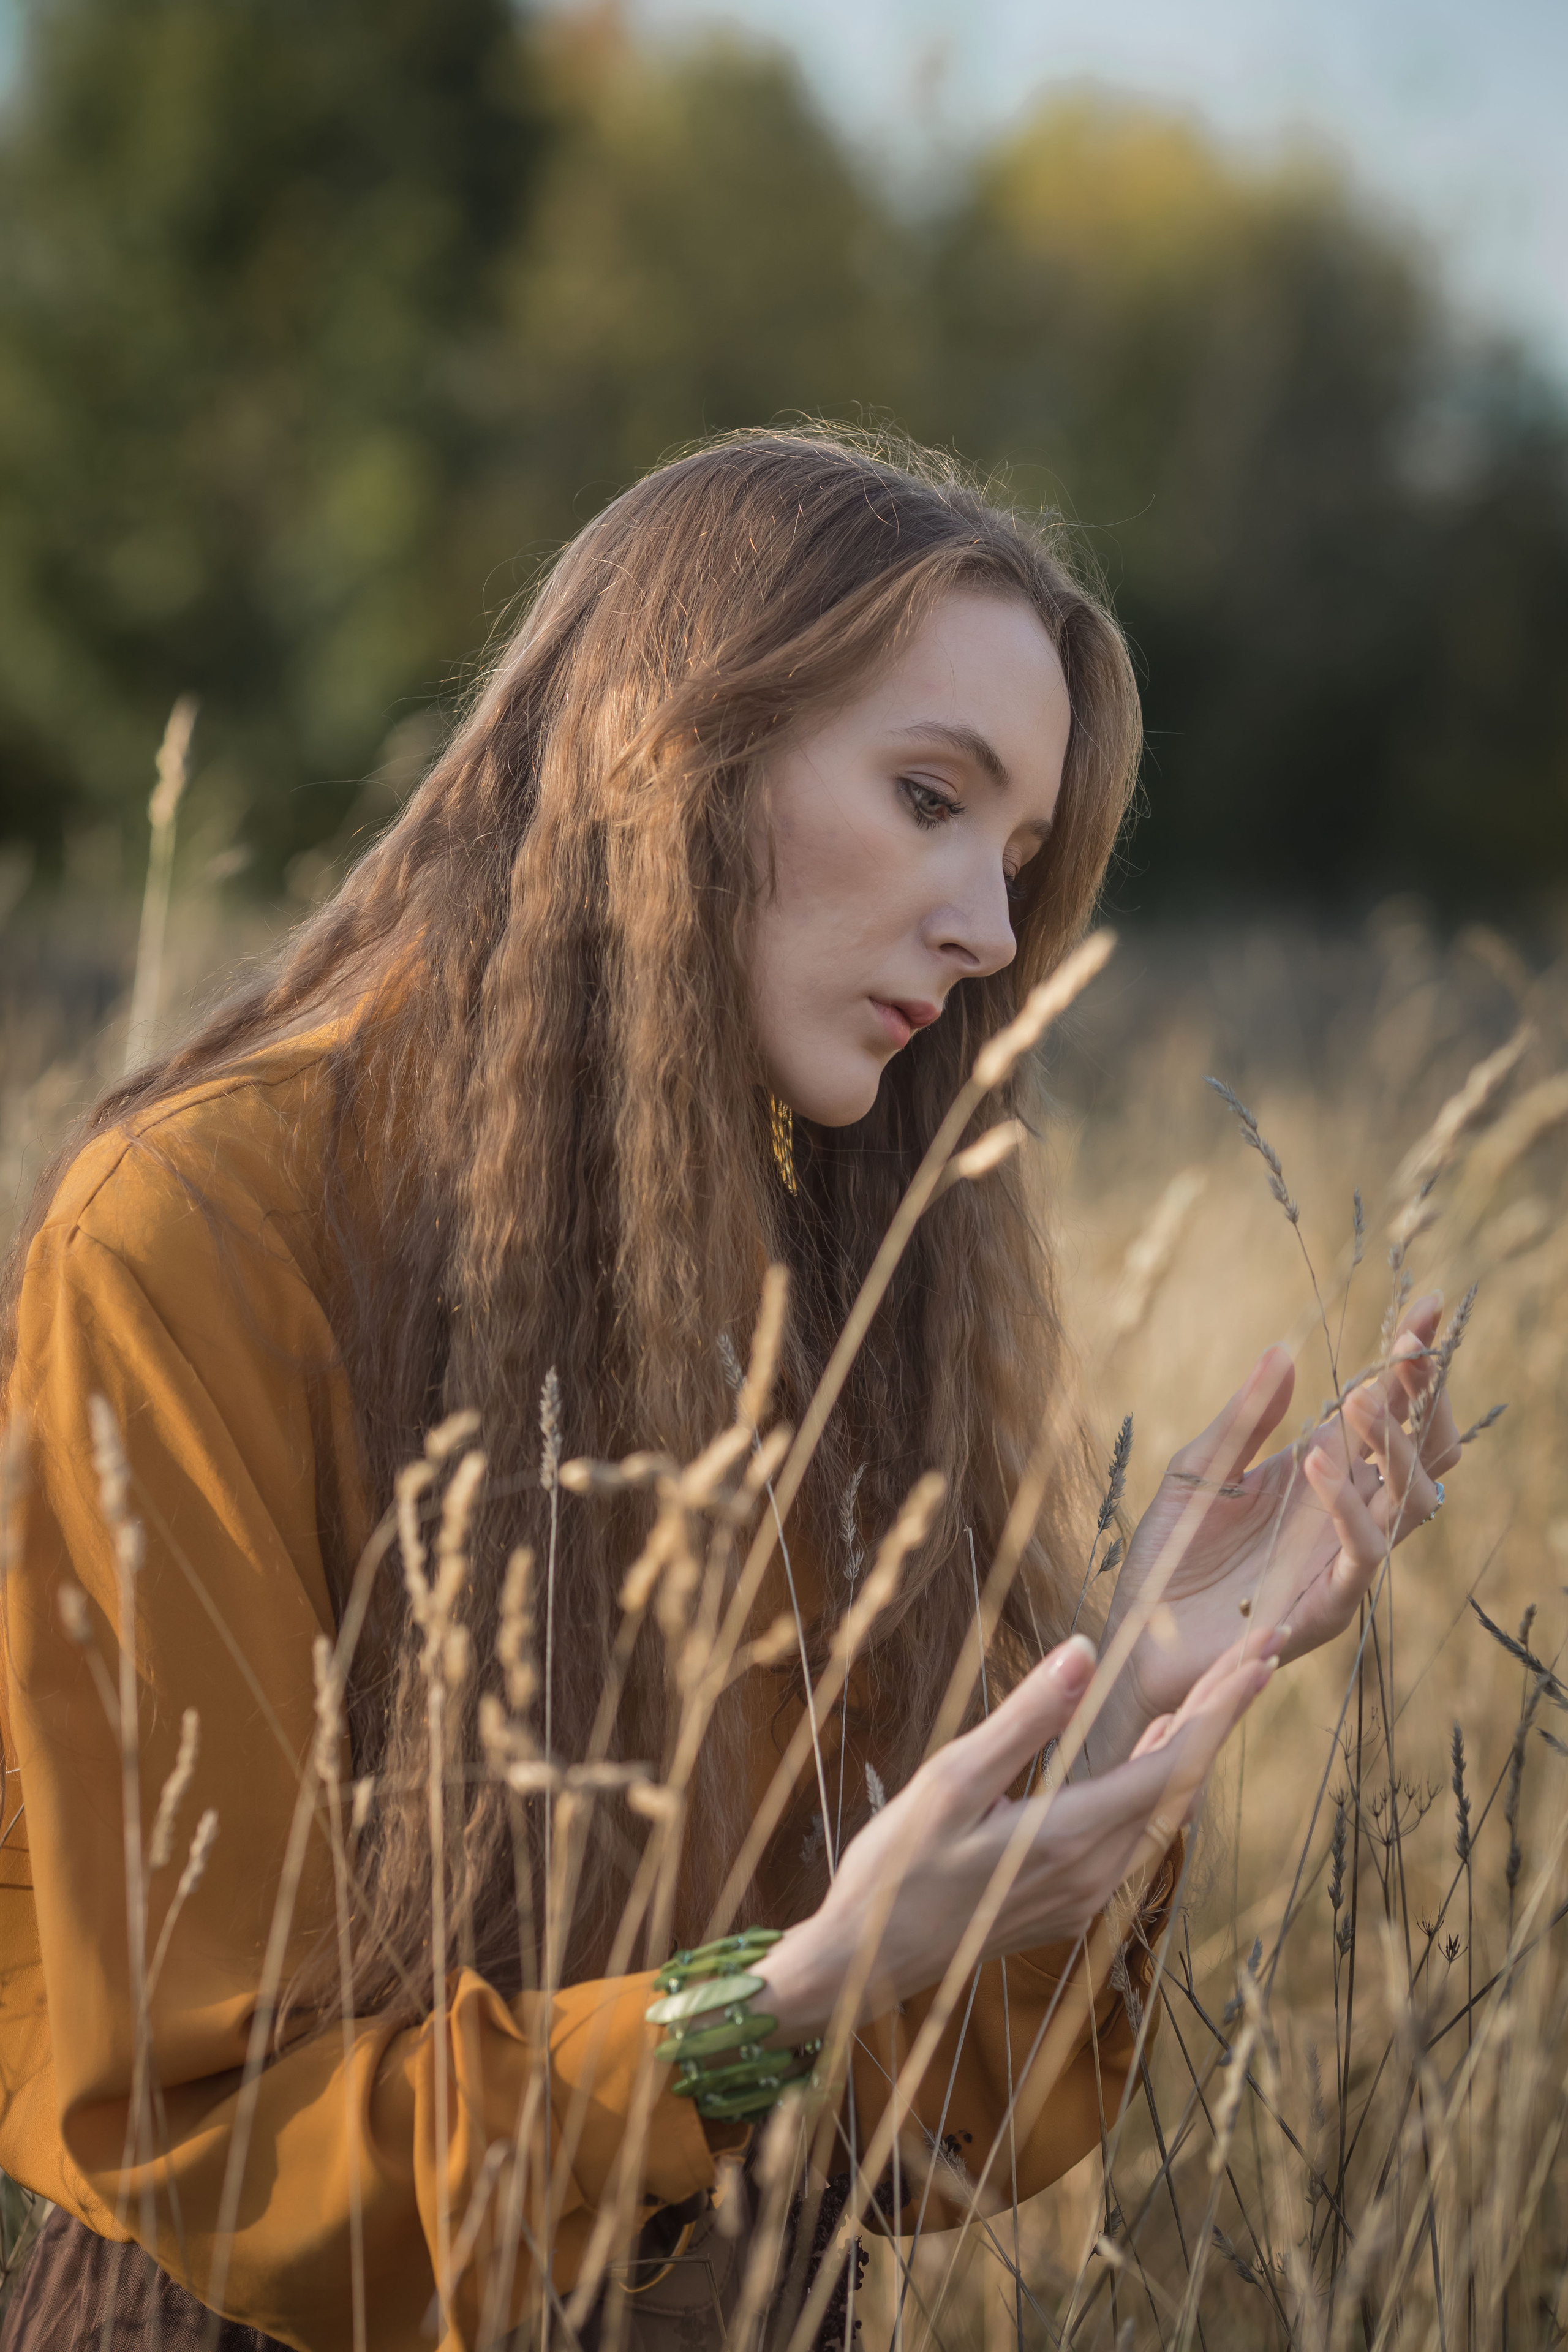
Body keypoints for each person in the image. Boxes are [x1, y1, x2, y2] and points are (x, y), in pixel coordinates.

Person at [0, 429, 1460, 2352]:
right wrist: (760, 2021)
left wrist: (1121, 1705)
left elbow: (938, 2137)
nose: (992, 931)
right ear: (669, 748)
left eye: (1018, 860)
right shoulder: (196, 1233)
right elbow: (203, 2139)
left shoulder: (798, 1274)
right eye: (929, 797)